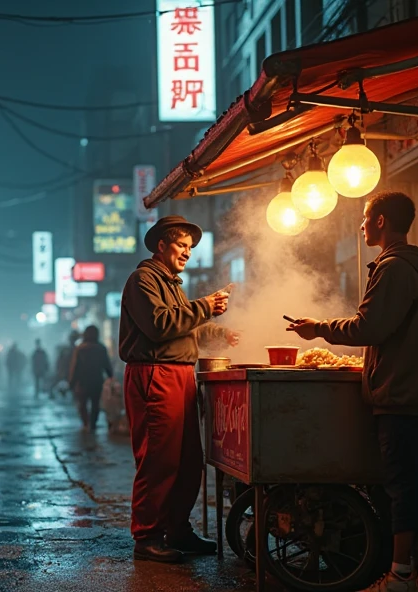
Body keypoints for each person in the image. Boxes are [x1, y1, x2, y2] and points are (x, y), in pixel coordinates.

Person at [287, 191, 418, 592]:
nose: (360, 226)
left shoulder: (393, 268)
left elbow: (368, 327)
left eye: (364, 218)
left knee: (400, 488)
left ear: (380, 221)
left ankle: (400, 576)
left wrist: (319, 328)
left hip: (401, 395)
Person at [119, 215, 239, 563]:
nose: (187, 252)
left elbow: (182, 327)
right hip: (156, 374)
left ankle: (177, 529)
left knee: (188, 461)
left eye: (190, 247)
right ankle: (148, 536)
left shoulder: (171, 283)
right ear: (162, 245)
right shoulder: (143, 280)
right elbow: (160, 326)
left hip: (180, 375)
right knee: (160, 460)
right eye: (181, 245)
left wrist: (218, 332)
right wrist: (206, 307)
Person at [69, 325, 113, 431]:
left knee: (82, 403)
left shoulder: (80, 349)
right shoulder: (101, 348)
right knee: (95, 403)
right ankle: (93, 424)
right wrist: (110, 376)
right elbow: (106, 364)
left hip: (83, 381)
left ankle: (86, 422)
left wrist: (72, 382)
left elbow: (75, 367)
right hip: (97, 380)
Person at [54, 331, 80, 397]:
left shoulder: (77, 349)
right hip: (69, 372)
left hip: (72, 372)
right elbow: (60, 362)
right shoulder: (75, 349)